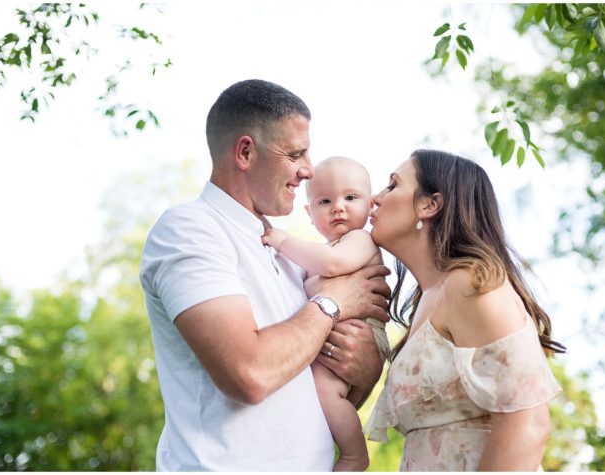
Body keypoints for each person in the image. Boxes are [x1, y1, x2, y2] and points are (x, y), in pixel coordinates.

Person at [139, 79, 391, 471]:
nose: (308, 170)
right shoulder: (189, 229)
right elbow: (250, 374)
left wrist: (366, 368)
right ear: (245, 152)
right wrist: (333, 303)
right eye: (295, 154)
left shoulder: (293, 256)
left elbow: (318, 392)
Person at [363, 150, 564, 470]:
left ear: (429, 204)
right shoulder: (429, 300)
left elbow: (529, 425)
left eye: (392, 185)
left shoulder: (472, 284)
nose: (375, 198)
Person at [262, 156, 390, 471]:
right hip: (339, 336)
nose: (338, 207)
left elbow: (331, 268)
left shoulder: (359, 240)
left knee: (325, 389)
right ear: (309, 213)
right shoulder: (325, 251)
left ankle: (353, 454)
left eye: (351, 197)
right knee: (319, 390)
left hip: (364, 333)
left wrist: (283, 241)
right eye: (324, 200)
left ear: (370, 205)